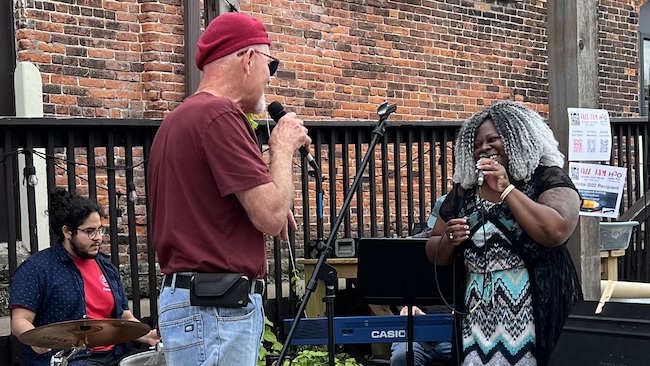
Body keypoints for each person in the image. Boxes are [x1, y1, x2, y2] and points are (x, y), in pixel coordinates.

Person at [147, 11, 311, 366]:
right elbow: (270, 215)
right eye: (272, 64)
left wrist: (269, 200)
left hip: (197, 303)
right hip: (215, 308)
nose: (271, 77)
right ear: (249, 58)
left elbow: (207, 209)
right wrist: (281, 148)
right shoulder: (220, 116)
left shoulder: (178, 120)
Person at [425, 101, 583, 366]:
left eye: (492, 139)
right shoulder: (464, 192)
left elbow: (555, 231)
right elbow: (434, 252)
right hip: (478, 314)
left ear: (517, 137)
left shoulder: (545, 179)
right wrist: (449, 240)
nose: (484, 148)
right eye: (476, 144)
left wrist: (507, 190)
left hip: (536, 308)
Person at [9, 188, 160, 366]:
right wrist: (36, 340)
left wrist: (148, 335)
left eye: (100, 230)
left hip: (116, 355)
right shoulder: (37, 268)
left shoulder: (107, 268)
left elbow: (124, 317)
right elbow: (20, 320)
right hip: (72, 359)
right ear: (67, 232)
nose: (98, 238)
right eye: (90, 231)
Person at [389, 195, 452, 366]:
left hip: (457, 333)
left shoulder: (471, 247)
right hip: (418, 333)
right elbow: (395, 288)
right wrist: (407, 306)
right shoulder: (412, 246)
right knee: (402, 358)